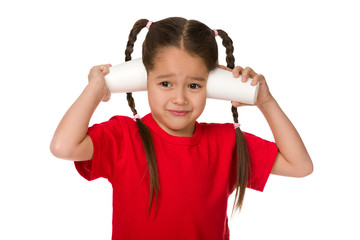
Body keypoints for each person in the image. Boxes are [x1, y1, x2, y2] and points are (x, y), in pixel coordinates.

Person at [50, 17, 313, 240]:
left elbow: (300, 165)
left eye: (194, 85)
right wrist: (96, 88)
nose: (180, 99)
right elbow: (63, 147)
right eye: (165, 83)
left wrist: (264, 100)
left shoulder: (225, 141)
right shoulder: (122, 136)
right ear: (144, 79)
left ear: (213, 85)